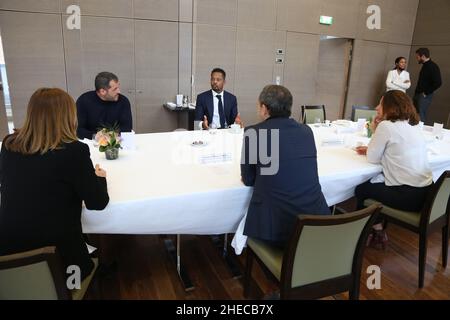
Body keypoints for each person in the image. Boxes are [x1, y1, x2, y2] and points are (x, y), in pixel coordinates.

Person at [0, 88, 110, 281]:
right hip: (61, 265)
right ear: (68, 116)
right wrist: (99, 177)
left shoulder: (9, 145)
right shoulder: (74, 152)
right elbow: (97, 203)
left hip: (9, 260)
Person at [241, 85, 330, 248]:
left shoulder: (254, 133)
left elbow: (248, 179)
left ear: (264, 108)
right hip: (316, 223)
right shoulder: (306, 131)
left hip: (277, 229)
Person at [354, 90, 433, 246]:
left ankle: (366, 234)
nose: (377, 108)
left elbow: (372, 158)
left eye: (381, 104)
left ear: (390, 107)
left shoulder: (386, 126)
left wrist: (376, 130)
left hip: (407, 196)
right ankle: (377, 229)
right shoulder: (414, 125)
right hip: (426, 193)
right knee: (377, 183)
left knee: (362, 189)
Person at [76, 71, 133, 139]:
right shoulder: (84, 101)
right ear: (102, 91)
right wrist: (94, 136)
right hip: (91, 142)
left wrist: (112, 137)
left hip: (117, 142)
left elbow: (127, 128)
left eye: (118, 87)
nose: (119, 91)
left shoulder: (123, 101)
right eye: (115, 89)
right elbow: (78, 129)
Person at [413, 48, 442, 122]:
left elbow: (438, 83)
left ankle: (421, 132)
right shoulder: (425, 65)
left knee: (421, 115)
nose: (417, 59)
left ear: (423, 56)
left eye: (417, 57)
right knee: (416, 114)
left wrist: (425, 93)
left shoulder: (433, 66)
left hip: (424, 96)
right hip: (419, 94)